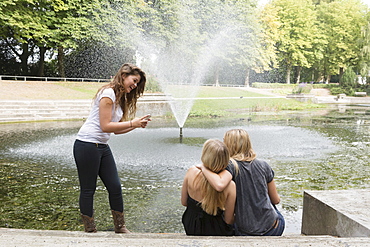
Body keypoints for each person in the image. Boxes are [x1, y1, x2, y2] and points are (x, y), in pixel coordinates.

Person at [73, 63, 150, 233]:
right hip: (87, 144)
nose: (135, 85)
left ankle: (120, 227)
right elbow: (105, 126)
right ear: (123, 76)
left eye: (138, 83)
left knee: (115, 186)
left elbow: (116, 130)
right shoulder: (108, 93)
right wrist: (133, 122)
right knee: (88, 189)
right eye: (134, 80)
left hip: (101, 145)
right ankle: (90, 229)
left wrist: (136, 125)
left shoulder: (120, 98)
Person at [198, 129, 285, 236]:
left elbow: (219, 184)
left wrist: (203, 168)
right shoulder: (264, 165)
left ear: (229, 145)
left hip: (245, 231)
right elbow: (276, 200)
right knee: (273, 208)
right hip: (273, 228)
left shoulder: (230, 165)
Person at [181, 139, 236, 236]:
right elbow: (228, 219)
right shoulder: (230, 185)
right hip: (216, 229)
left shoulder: (191, 172)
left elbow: (184, 202)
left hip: (192, 225)